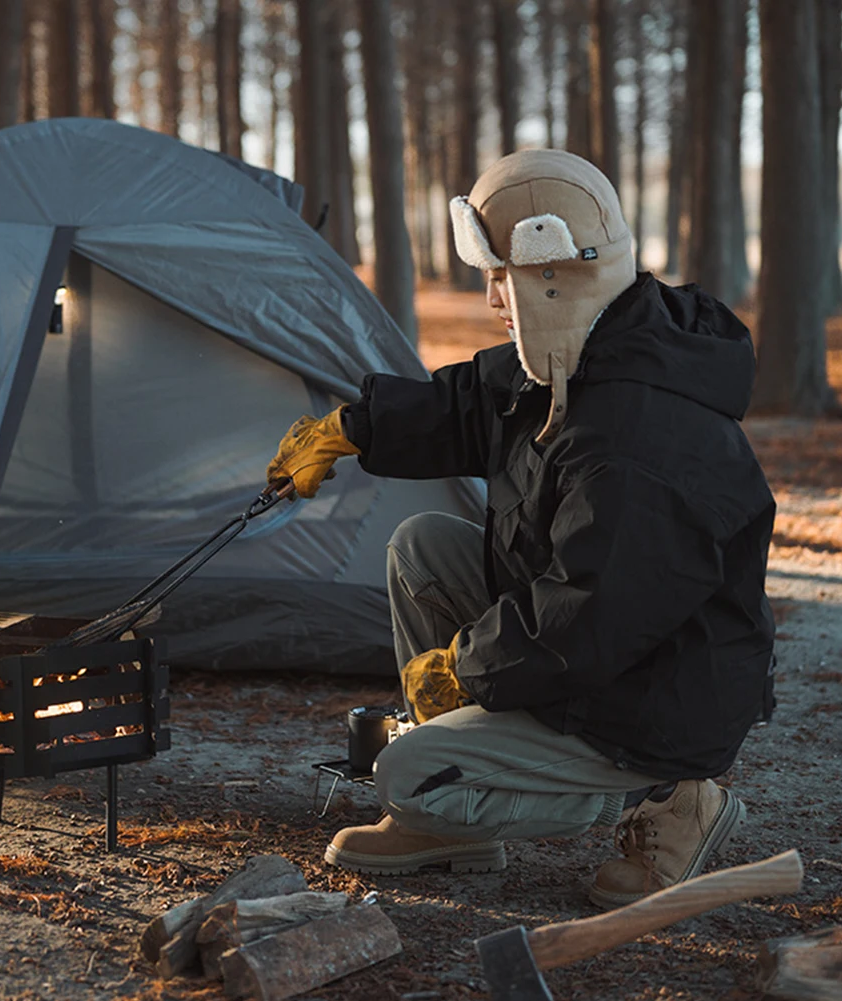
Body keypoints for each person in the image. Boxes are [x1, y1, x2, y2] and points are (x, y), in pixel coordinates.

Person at [265, 149, 776, 907]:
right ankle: (455, 827)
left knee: (407, 772)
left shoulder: (638, 440)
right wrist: (354, 426)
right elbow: (474, 399)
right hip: (599, 667)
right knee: (423, 549)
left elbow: (586, 615)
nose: (491, 296)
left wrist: (464, 670)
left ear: (554, 270)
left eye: (501, 275)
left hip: (650, 708)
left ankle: (666, 800)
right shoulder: (584, 353)